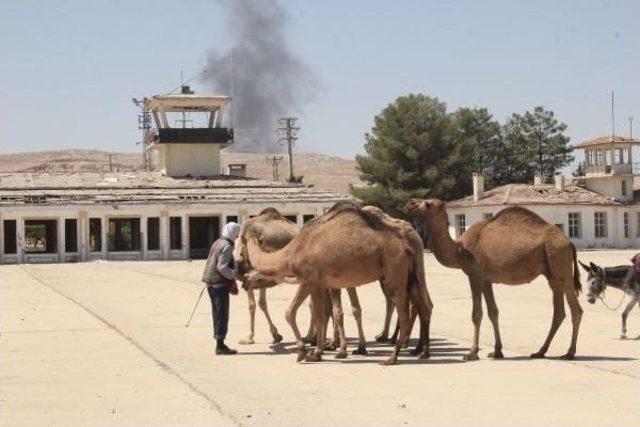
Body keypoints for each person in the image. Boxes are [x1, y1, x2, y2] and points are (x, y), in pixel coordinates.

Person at [202, 222, 241, 355]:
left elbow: (209, 261)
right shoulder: (227, 246)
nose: (237, 237)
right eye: (237, 234)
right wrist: (234, 274)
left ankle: (219, 341)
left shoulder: (217, 242)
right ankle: (220, 346)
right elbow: (222, 267)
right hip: (219, 284)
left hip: (210, 283)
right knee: (221, 314)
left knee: (216, 313)